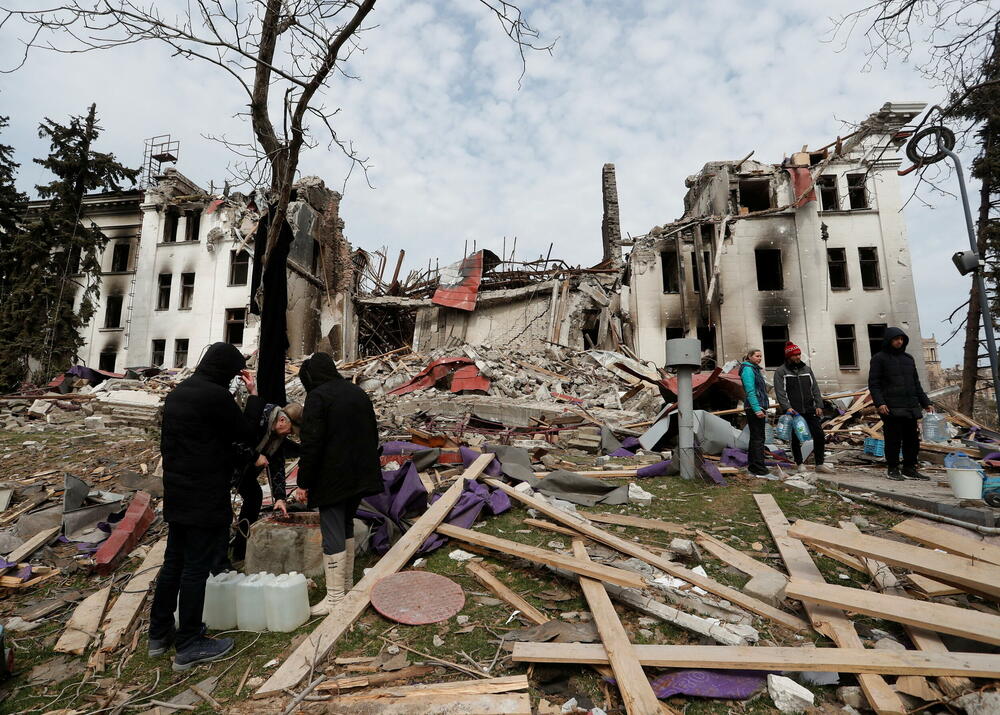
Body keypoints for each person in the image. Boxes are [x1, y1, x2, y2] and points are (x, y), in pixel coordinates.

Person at [149, 342, 253, 670]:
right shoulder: (216, 396)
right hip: (204, 494)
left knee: (173, 563)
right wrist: (251, 396)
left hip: (178, 492)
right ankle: (190, 643)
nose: (236, 379)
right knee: (195, 568)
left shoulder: (179, 393)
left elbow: (195, 440)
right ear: (225, 370)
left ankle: (159, 633)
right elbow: (245, 433)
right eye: (235, 373)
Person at [295, 352, 382, 616]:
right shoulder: (356, 392)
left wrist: (303, 481)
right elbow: (372, 432)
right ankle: (346, 586)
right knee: (345, 526)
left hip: (332, 476)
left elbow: (312, 443)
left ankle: (334, 598)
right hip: (359, 473)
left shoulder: (318, 398)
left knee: (332, 530)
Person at [215, 381, 303, 570]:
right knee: (220, 511)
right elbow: (235, 442)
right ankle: (218, 559)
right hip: (226, 467)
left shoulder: (278, 437)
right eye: (290, 430)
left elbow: (277, 466)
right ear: (282, 421)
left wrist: (280, 498)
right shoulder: (258, 417)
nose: (289, 434)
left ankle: (240, 552)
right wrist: (255, 457)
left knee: (254, 497)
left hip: (245, 471)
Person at [868, 326, 933, 481]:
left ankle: (910, 468)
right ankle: (892, 468)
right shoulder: (879, 358)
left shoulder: (908, 359)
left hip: (910, 407)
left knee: (912, 440)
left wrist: (925, 402)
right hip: (891, 408)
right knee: (893, 440)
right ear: (889, 340)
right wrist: (880, 403)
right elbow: (874, 384)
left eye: (902, 339)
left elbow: (916, 383)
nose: (899, 341)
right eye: (896, 339)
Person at [774, 341, 834, 474]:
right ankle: (799, 463)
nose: (798, 357)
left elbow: (815, 388)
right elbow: (780, 392)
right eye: (795, 355)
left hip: (809, 409)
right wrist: (787, 407)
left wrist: (819, 405)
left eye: (799, 354)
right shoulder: (781, 371)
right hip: (793, 411)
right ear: (788, 356)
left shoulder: (807, 369)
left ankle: (820, 464)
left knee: (819, 435)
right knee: (795, 438)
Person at [740, 348, 770, 477]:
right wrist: (757, 409)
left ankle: (753, 466)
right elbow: (750, 391)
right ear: (750, 357)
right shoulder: (748, 369)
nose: (759, 358)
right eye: (757, 356)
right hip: (754, 408)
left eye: (760, 356)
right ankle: (759, 468)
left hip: (757, 407)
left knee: (756, 438)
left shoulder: (754, 369)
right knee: (758, 438)